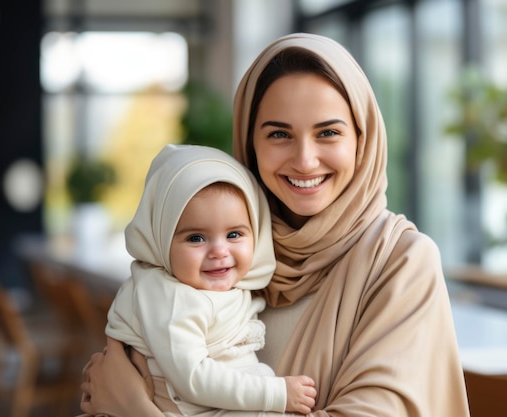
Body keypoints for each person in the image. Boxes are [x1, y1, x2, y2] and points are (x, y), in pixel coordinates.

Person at [80, 33, 471, 417]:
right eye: (279, 134)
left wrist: (135, 408)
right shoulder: (221, 255)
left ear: (362, 138)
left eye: (328, 132)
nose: (304, 160)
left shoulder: (400, 262)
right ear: (249, 143)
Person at [101, 144, 316, 416]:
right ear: (161, 241)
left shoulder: (232, 287)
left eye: (234, 234)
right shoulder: (169, 296)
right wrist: (276, 394)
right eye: (196, 238)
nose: (219, 251)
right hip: (184, 405)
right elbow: (192, 377)